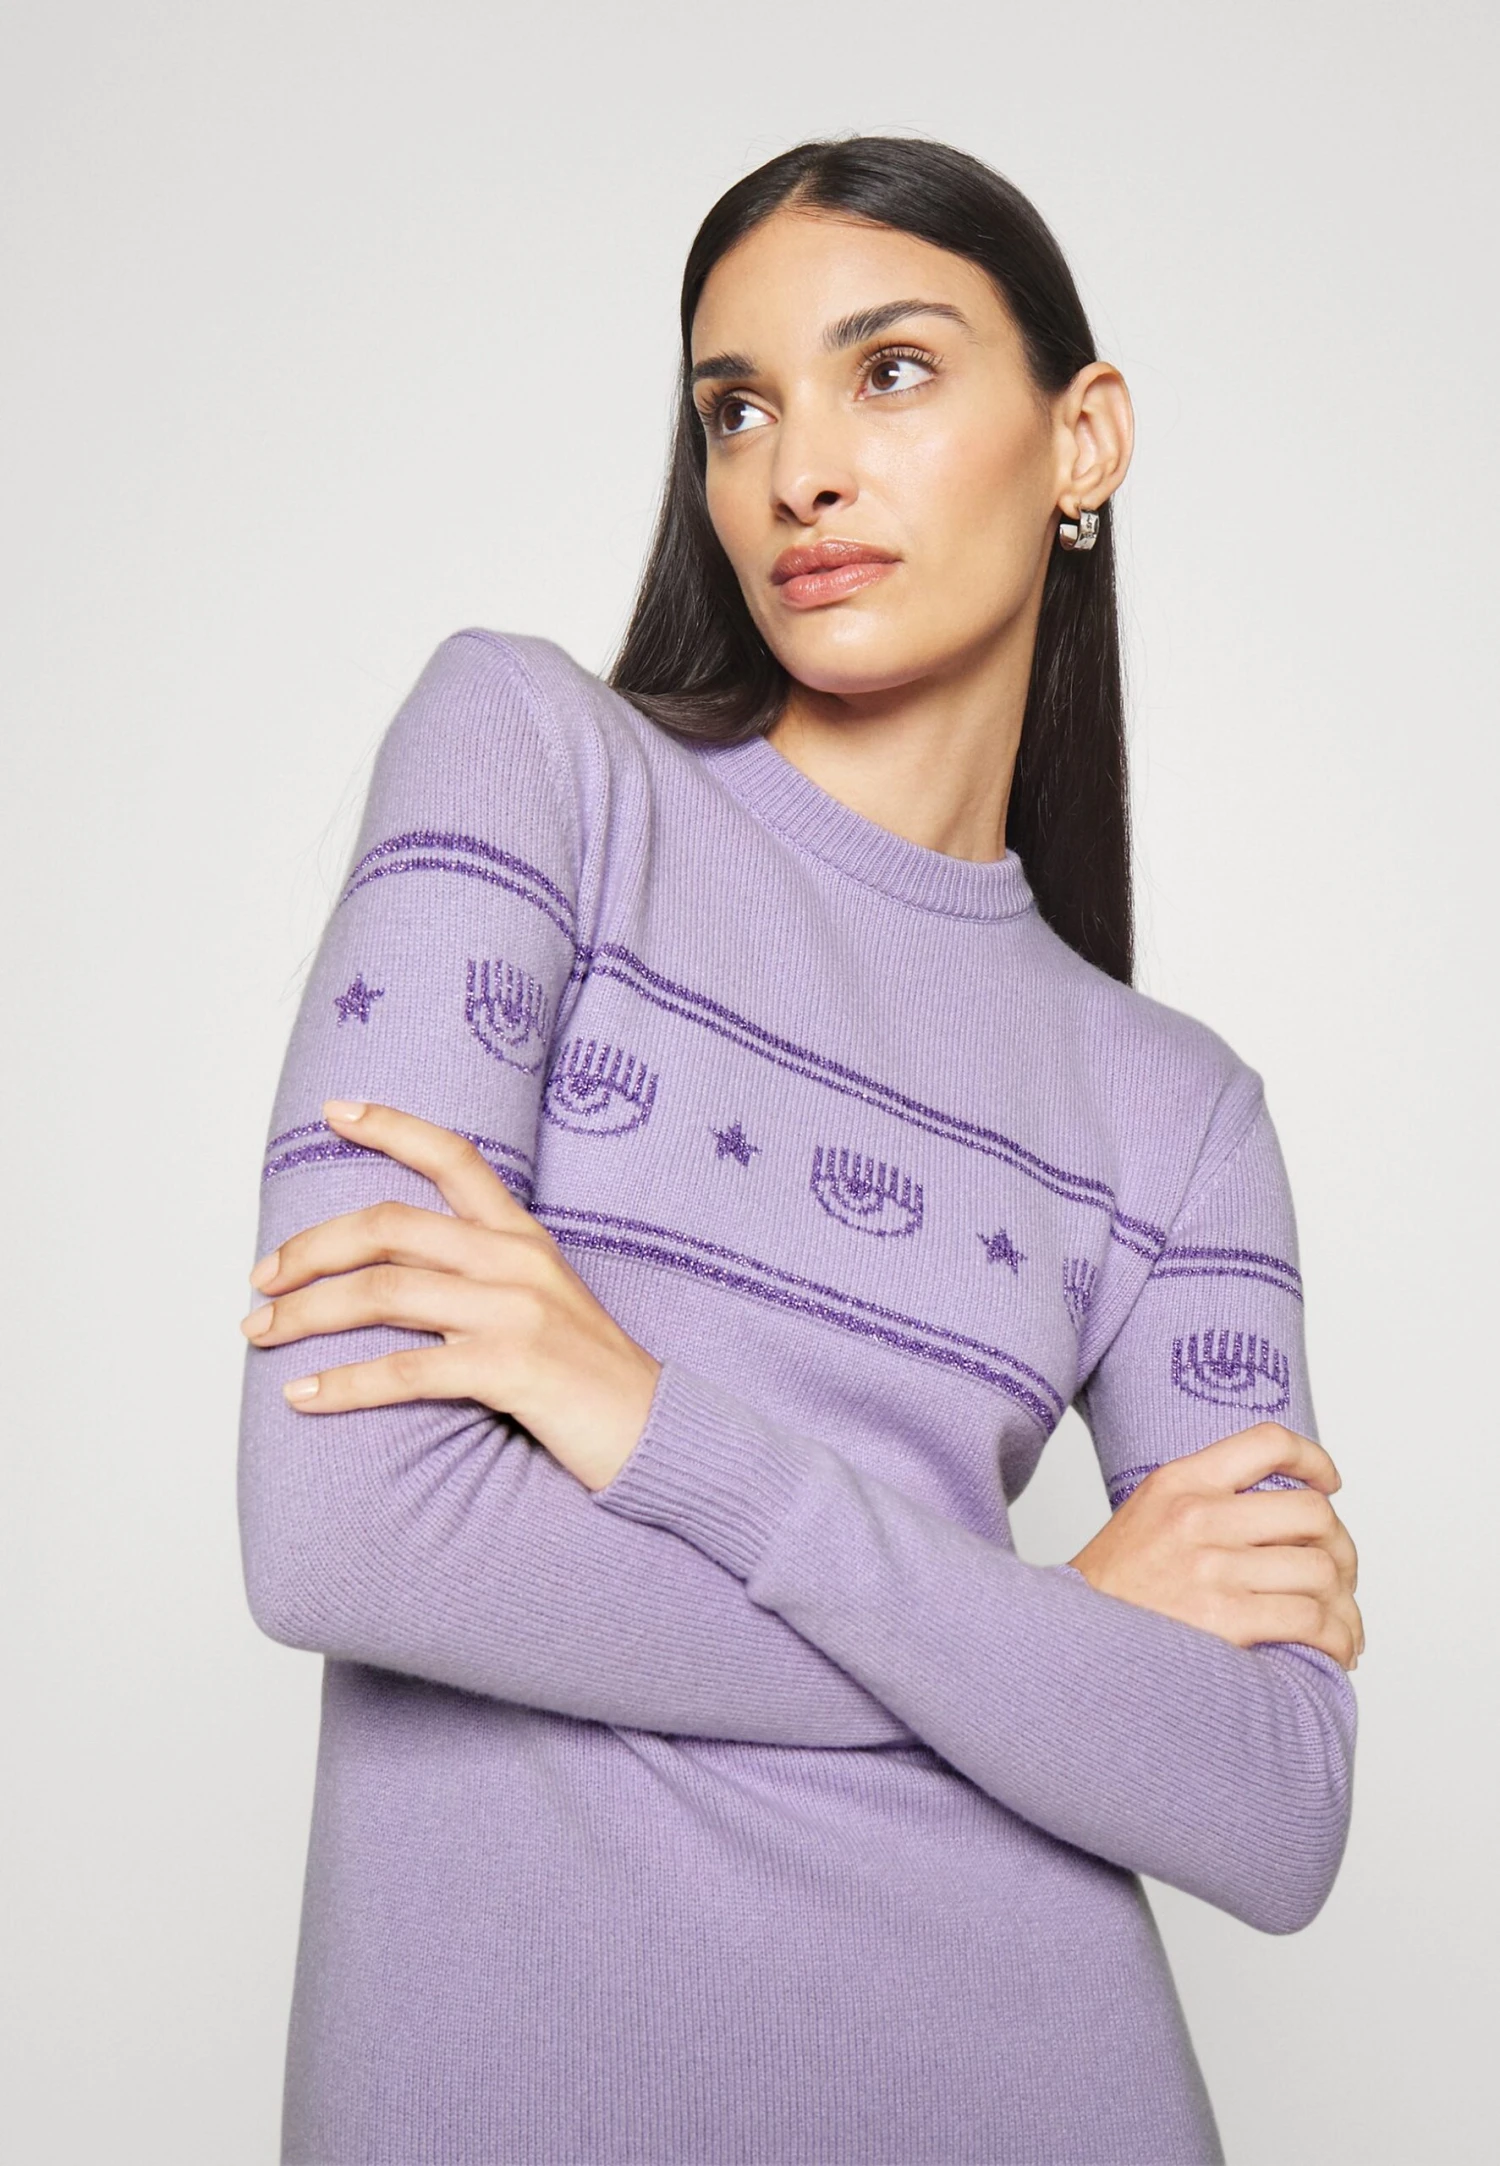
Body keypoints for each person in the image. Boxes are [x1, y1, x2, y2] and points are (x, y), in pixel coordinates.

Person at [237, 134, 1363, 2165]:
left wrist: (660, 1430)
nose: (798, 471)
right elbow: (348, 1529)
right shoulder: (537, 763)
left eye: (892, 371)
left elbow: (1272, 1803)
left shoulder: (1176, 1111)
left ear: (1085, 437)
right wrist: (1049, 1632)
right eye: (737, 409)